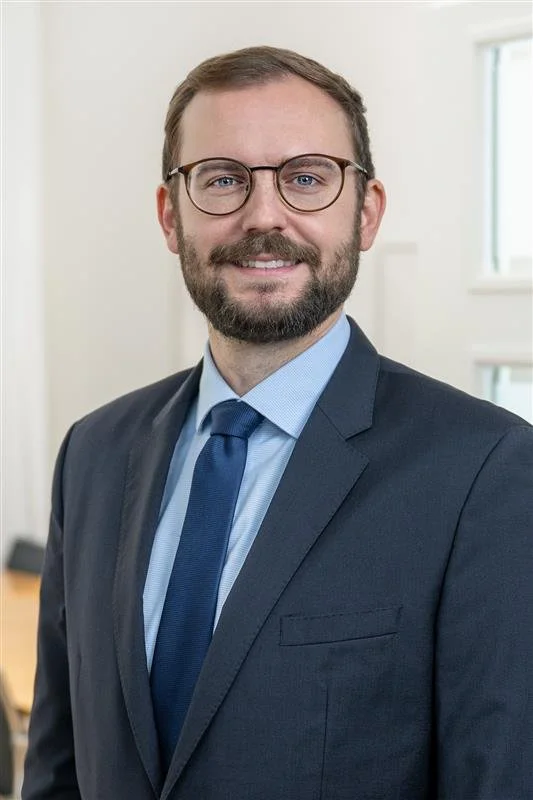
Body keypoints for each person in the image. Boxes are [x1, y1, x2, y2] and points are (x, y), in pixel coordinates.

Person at [22, 45, 532, 800]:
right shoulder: (92, 452)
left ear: (366, 213)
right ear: (170, 216)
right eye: (222, 179)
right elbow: (57, 768)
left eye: (307, 178)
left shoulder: (484, 469)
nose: (263, 216)